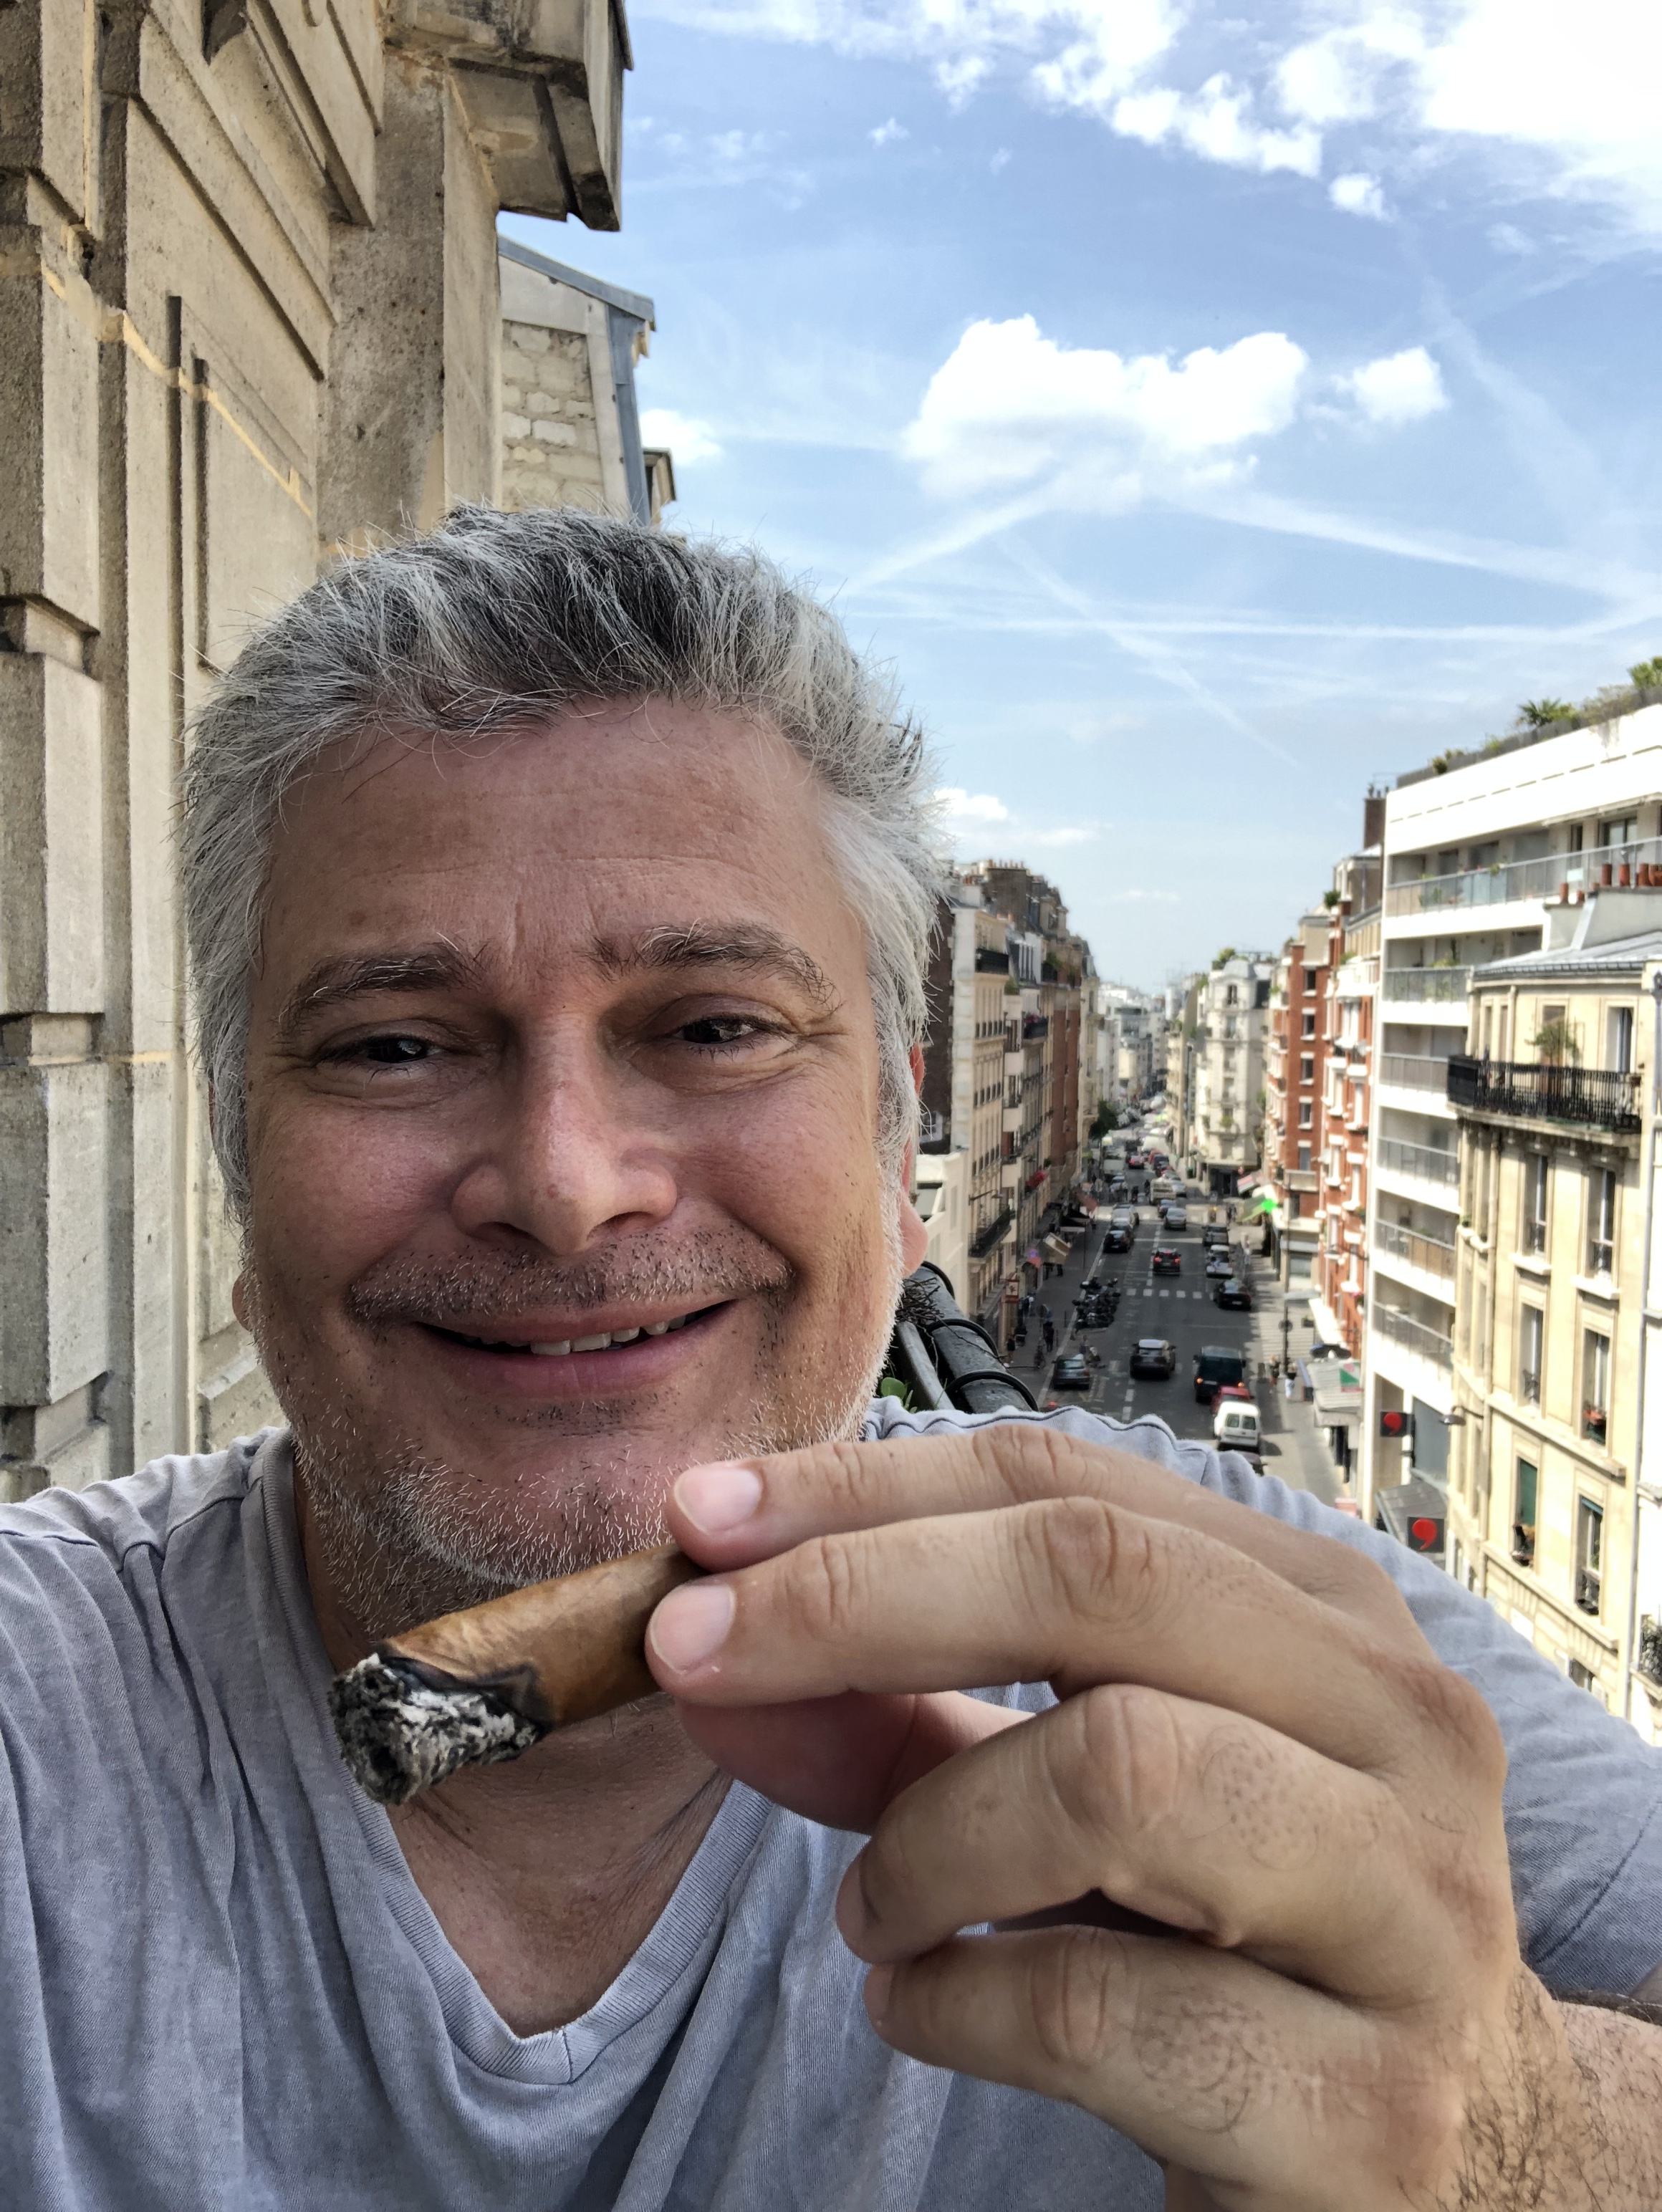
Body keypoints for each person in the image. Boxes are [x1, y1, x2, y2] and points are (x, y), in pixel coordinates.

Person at [3, 506, 1661, 2212]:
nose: (567, 1184)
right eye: (394, 1045)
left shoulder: (1222, 1613)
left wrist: (1513, 2130)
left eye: (715, 1025)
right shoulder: (31, 1704)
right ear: (238, 1174)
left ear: (893, 1146)